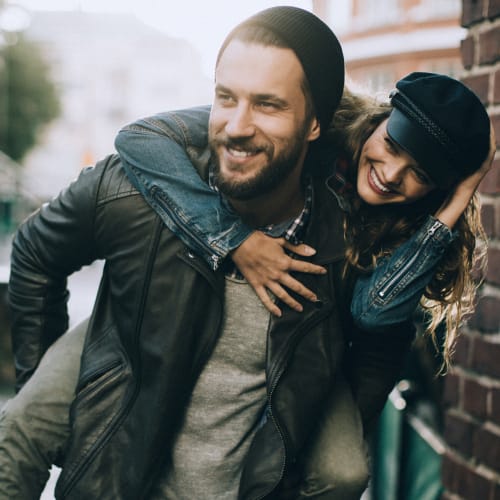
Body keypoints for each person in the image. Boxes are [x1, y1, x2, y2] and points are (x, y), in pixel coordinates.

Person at [0, 6, 410, 499]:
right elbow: (33, 253)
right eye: (225, 97)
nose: (237, 126)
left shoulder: (344, 241)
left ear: (315, 123)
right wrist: (47, 384)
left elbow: (377, 350)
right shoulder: (132, 192)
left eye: (268, 105)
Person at [115, 71, 494, 369]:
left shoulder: (412, 228)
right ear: (381, 119)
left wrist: (456, 202)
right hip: (172, 307)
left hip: (300, 365)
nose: (392, 174)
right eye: (392, 146)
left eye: (420, 176)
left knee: (341, 470)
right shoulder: (312, 121)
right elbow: (141, 138)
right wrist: (235, 239)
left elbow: (373, 312)